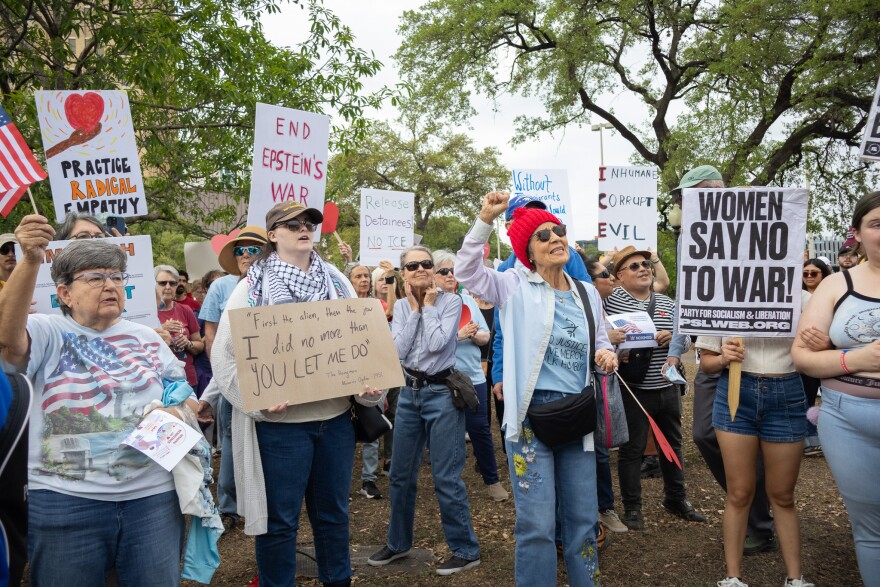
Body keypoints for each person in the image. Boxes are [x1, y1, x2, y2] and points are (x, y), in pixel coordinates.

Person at [0, 215, 195, 586]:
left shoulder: (148, 338)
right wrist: (28, 260)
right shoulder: (47, 330)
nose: (110, 285)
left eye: (116, 277)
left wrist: (179, 409)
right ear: (65, 293)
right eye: (94, 277)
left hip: (152, 500)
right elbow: (7, 341)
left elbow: (184, 393)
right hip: (65, 502)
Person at [212, 201, 382, 587]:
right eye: (292, 225)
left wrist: (370, 387)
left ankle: (337, 581)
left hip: (336, 421)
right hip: (281, 429)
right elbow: (223, 358)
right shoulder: (250, 290)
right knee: (280, 523)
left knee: (333, 516)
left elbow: (364, 340)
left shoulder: (337, 281)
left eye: (308, 223)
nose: (303, 228)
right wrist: (256, 401)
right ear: (273, 235)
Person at [455, 191, 617, 587]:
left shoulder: (585, 292)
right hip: (531, 416)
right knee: (538, 523)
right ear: (527, 250)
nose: (555, 238)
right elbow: (467, 273)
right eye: (543, 236)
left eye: (558, 230)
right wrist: (484, 219)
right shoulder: (512, 285)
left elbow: (602, 340)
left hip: (577, 413)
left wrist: (606, 353)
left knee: (582, 519)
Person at [666, 165, 776, 555]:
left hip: (760, 354)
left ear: (720, 193)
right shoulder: (687, 238)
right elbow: (687, 299)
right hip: (714, 354)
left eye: (697, 196)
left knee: (761, 441)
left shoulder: (756, 224)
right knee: (706, 434)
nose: (688, 204)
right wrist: (675, 352)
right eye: (685, 199)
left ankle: (761, 521)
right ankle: (750, 505)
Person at [368, 245, 481, 576]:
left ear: (433, 269)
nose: (420, 268)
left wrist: (428, 307)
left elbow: (436, 344)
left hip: (441, 395)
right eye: (411, 265)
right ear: (403, 273)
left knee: (446, 476)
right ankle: (398, 543)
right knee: (401, 475)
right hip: (409, 394)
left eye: (426, 264)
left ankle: (465, 549)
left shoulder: (452, 302)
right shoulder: (401, 306)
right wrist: (416, 311)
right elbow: (398, 350)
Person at [792, 191, 880, 587]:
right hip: (846, 421)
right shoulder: (834, 285)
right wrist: (855, 359)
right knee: (871, 528)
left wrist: (836, 346)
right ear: (857, 233)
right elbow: (804, 358)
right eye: (876, 224)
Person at [698, 300, 814, 587]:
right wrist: (723, 357)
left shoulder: (803, 298)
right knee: (738, 492)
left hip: (786, 391)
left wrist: (819, 343)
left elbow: (818, 354)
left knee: (783, 494)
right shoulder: (722, 298)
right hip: (736, 389)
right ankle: (733, 577)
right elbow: (707, 362)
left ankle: (795, 578)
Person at [198, 226, 268, 533]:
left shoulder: (280, 284)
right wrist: (219, 380)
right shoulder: (222, 288)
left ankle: (265, 502)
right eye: (241, 250)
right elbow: (211, 335)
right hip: (232, 379)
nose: (247, 255)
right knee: (230, 441)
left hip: (272, 379)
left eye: (255, 249)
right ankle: (228, 507)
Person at [433, 249, 509, 502]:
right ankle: (446, 483)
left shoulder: (467, 301)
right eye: (443, 271)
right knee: (444, 434)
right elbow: (427, 345)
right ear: (432, 275)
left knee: (480, 430)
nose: (449, 275)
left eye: (453, 271)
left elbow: (487, 336)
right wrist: (458, 336)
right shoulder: (428, 305)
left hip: (473, 378)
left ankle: (492, 480)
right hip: (442, 379)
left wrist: (475, 335)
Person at [584, 257, 629, 534]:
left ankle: (605, 508)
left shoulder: (603, 304)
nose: (610, 278)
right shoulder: (573, 298)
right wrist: (607, 340)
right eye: (604, 274)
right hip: (574, 387)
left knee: (600, 449)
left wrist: (611, 349)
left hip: (601, 384)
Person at [346, 262, 384, 500]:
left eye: (366, 276)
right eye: (358, 276)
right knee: (346, 434)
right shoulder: (338, 308)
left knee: (371, 431)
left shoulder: (376, 307)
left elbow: (382, 348)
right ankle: (343, 482)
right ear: (348, 281)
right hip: (346, 380)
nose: (364, 280)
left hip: (372, 380)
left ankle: (368, 481)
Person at [155, 265, 205, 389]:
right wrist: (161, 329)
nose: (167, 287)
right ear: (154, 285)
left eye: (172, 283)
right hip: (159, 381)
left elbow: (200, 344)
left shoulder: (185, 310)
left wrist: (188, 343)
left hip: (187, 379)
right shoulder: (148, 314)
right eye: (162, 283)